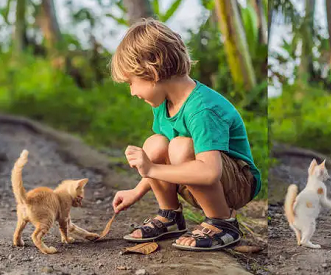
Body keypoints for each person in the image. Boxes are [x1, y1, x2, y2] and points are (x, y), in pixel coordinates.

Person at [109, 18, 261, 251]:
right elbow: (159, 161)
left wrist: (150, 169)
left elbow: (209, 172)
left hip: (238, 183)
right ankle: (170, 216)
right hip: (200, 179)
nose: (131, 92)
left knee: (180, 146)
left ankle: (223, 222)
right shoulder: (162, 104)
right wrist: (137, 191)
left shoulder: (202, 109)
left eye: (131, 82)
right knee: (155, 144)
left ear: (151, 71)